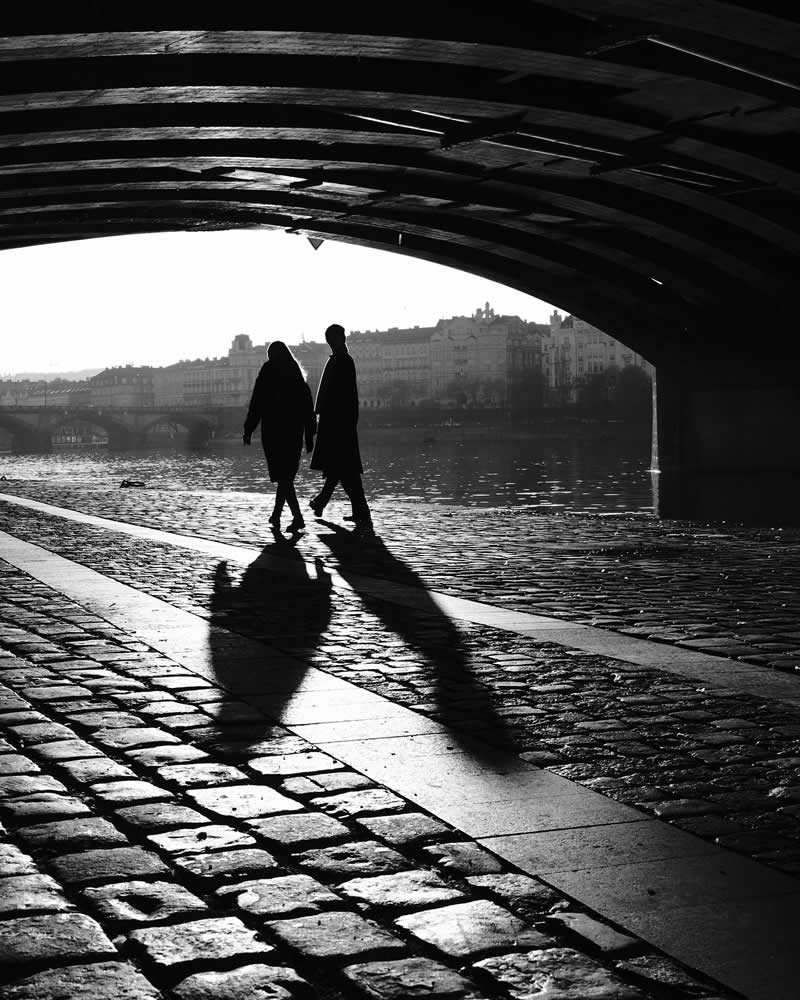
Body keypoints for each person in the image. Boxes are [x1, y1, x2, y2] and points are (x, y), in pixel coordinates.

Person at [243, 340, 316, 532]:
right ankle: (277, 515)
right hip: (293, 432)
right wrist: (310, 434)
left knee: (283, 477)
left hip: (274, 432)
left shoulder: (268, 370)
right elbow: (307, 407)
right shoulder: (296, 373)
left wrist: (249, 428)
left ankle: (296, 517)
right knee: (286, 477)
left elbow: (257, 402)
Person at [309, 323, 372, 527]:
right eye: (339, 336)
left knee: (340, 468)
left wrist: (321, 416)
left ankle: (324, 502)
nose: (341, 339)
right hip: (339, 422)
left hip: (338, 423)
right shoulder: (341, 360)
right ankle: (359, 512)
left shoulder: (341, 360)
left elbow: (338, 395)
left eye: (339, 336)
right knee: (344, 469)